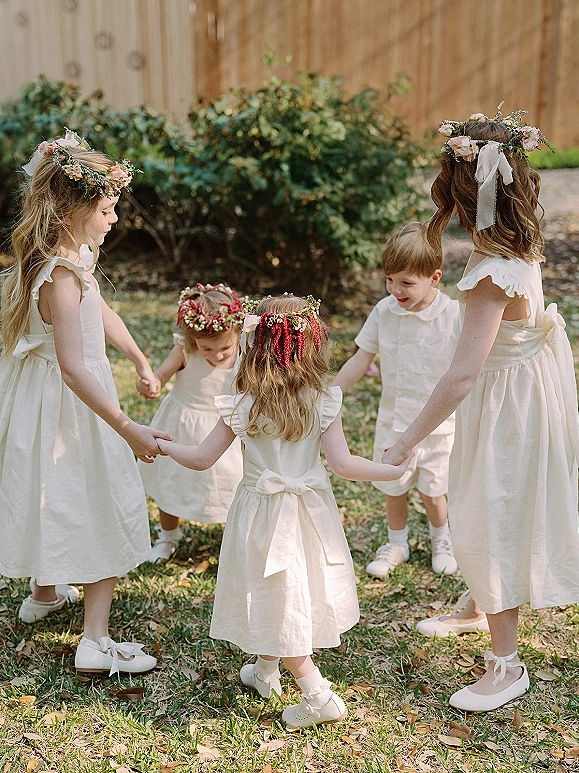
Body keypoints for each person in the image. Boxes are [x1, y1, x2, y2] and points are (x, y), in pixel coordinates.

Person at [382, 109, 579, 711]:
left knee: (489, 509)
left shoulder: (492, 272)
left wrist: (409, 438)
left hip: (504, 406)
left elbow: (464, 372)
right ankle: (476, 604)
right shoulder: (520, 246)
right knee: (484, 498)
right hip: (520, 394)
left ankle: (506, 665)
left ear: (467, 197)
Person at [157, 295, 412, 728]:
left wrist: (159, 443)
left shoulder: (243, 403)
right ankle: (264, 669)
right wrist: (390, 468)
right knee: (288, 589)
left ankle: (317, 694)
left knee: (273, 589)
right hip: (311, 511)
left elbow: (202, 458)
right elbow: (345, 466)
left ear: (253, 345)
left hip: (260, 511)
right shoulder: (322, 400)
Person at [0, 130, 170, 675]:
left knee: (53, 490)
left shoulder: (59, 261)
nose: (115, 218)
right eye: (107, 207)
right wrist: (126, 426)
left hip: (44, 400)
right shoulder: (63, 277)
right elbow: (74, 366)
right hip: (73, 405)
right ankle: (95, 642)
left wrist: (141, 360)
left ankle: (45, 593)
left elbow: (101, 314)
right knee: (100, 499)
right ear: (75, 208)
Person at [333, 222, 466, 582]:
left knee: (434, 490)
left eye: (406, 283)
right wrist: (331, 393)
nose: (395, 290)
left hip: (439, 427)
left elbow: (468, 370)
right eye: (389, 280)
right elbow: (361, 358)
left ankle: (442, 539)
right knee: (394, 487)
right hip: (394, 421)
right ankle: (397, 543)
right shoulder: (384, 311)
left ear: (434, 277)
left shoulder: (453, 315)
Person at [137, 283, 243, 562]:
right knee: (172, 483)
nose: (217, 355)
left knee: (234, 483)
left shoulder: (246, 351)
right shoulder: (186, 349)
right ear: (193, 339)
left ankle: (236, 538)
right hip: (183, 426)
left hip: (226, 430)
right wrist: (153, 383)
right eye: (207, 348)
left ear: (238, 333)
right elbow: (161, 375)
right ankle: (168, 536)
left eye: (224, 348)